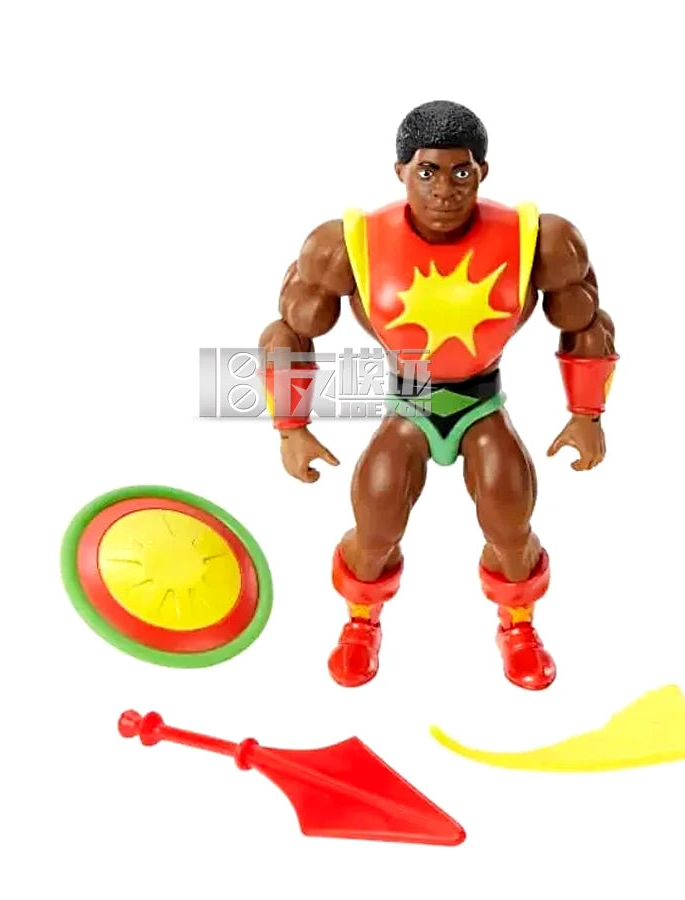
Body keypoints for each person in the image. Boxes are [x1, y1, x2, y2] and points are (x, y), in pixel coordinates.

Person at [259, 100, 617, 690]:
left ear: (483, 172)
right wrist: (291, 428)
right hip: (410, 403)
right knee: (375, 523)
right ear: (400, 171)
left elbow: (585, 321)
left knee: (510, 524)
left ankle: (518, 624)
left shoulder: (538, 239)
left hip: (482, 403)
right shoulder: (348, 244)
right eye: (427, 171)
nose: (444, 190)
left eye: (460, 172)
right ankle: (361, 620)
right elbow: (288, 331)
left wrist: (587, 414)